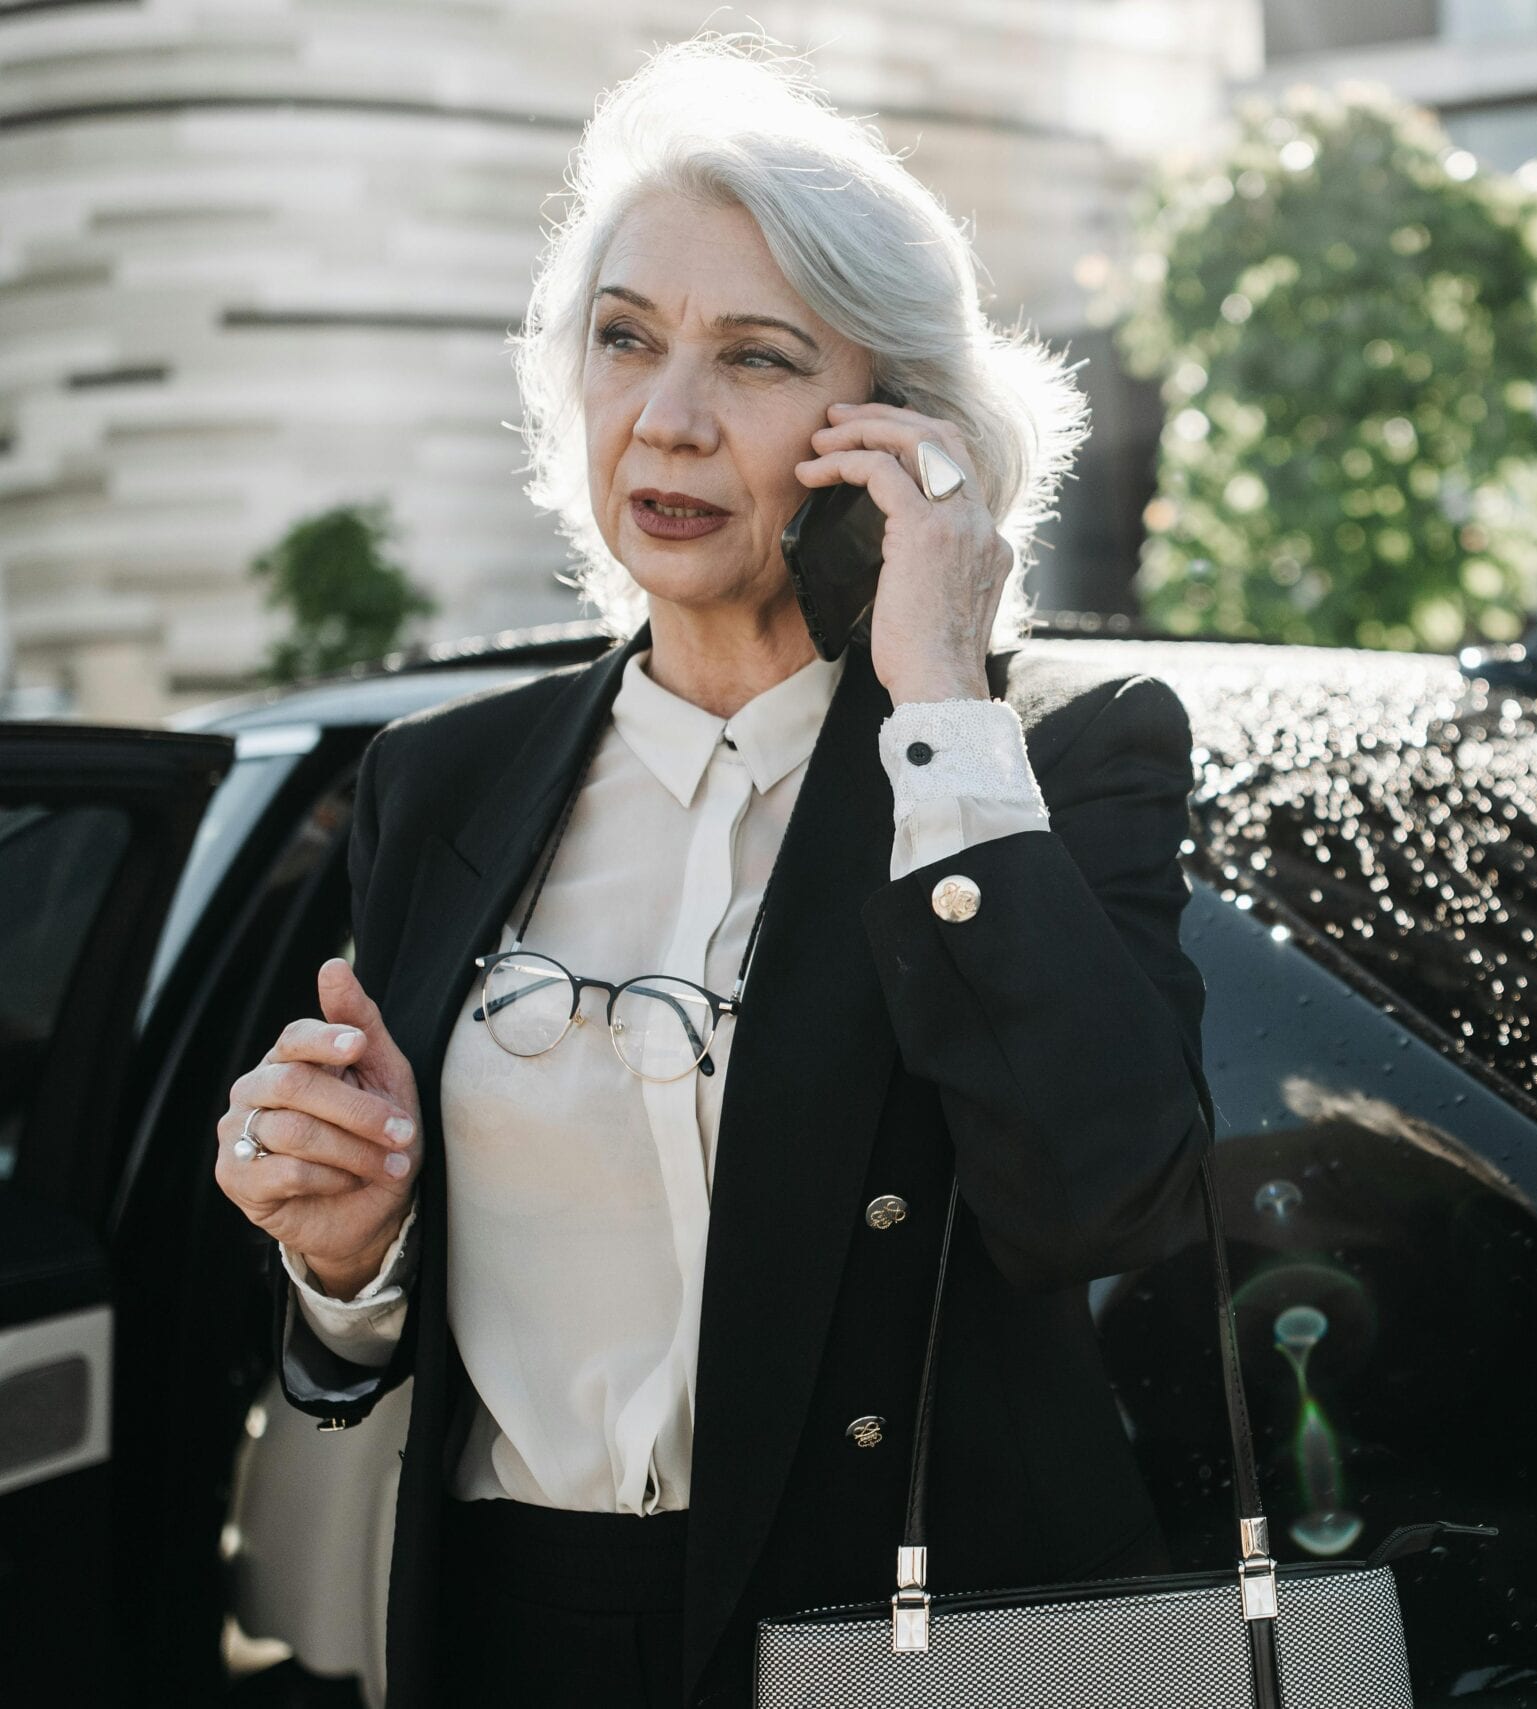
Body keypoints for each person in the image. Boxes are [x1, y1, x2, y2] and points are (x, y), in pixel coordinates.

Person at [209, 33, 1213, 1709]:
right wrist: (347, 1256)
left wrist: (941, 697)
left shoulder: (1050, 749)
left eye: (754, 358)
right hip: (511, 1629)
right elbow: (379, 1345)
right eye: (625, 339)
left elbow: (1102, 1196)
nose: (666, 420)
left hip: (898, 1644)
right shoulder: (440, 780)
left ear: (889, 428)